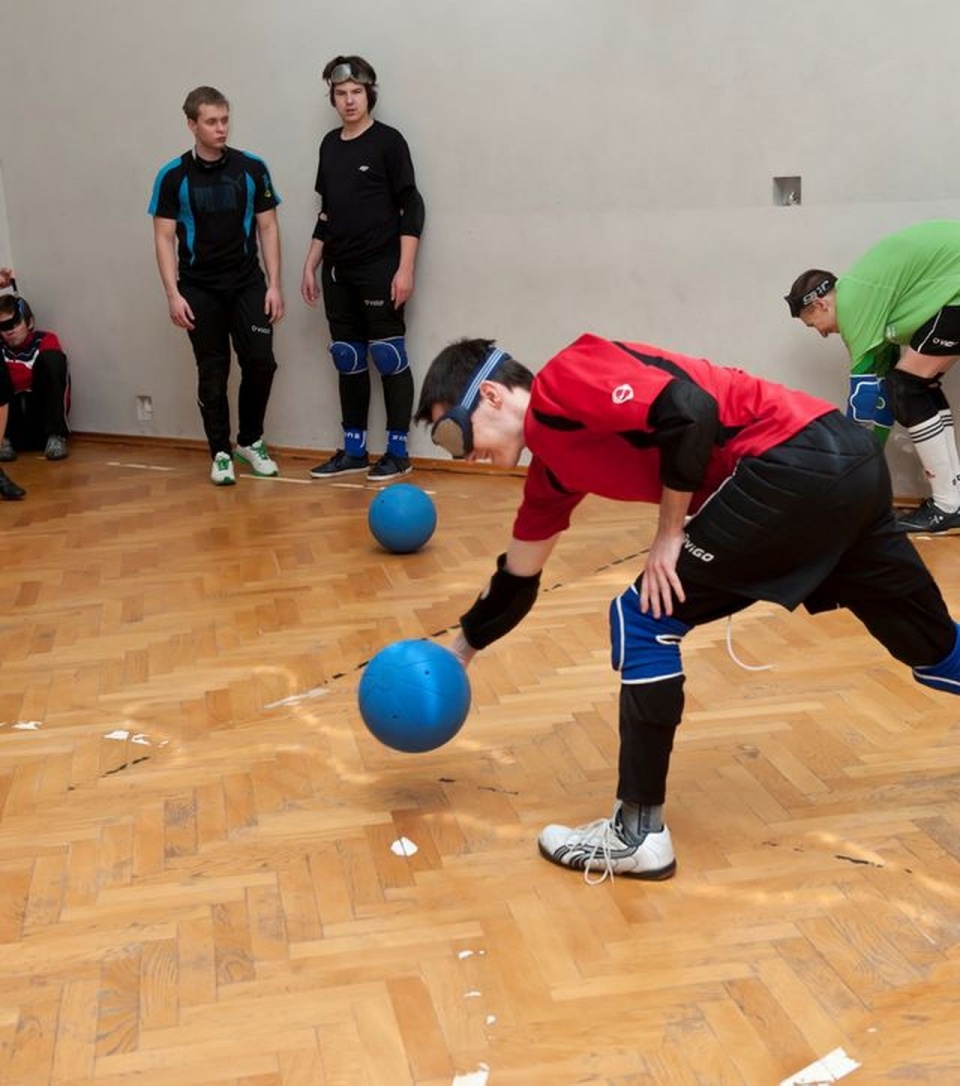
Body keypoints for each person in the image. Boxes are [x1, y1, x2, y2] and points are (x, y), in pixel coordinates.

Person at [414, 334, 960, 883]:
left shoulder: (564, 379)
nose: (460, 454)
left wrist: (669, 533)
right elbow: (516, 577)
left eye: (450, 432)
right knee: (930, 648)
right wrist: (459, 653)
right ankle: (637, 831)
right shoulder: (553, 470)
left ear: (490, 395)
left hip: (790, 463)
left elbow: (690, 411)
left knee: (643, 619)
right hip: (845, 461)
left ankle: (638, 834)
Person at [785, 220, 960, 534]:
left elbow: (864, 402)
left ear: (821, 304)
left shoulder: (853, 306)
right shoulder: (865, 296)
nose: (823, 334)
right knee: (915, 385)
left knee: (907, 388)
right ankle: (953, 497)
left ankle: (948, 504)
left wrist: (852, 472)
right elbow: (883, 399)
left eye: (815, 325)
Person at [149, 86, 284, 486]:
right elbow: (163, 238)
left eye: (225, 120)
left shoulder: (252, 168)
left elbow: (269, 227)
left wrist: (274, 285)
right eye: (211, 121)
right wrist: (173, 294)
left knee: (261, 363)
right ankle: (220, 452)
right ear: (192, 124)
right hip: (198, 288)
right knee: (213, 371)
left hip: (247, 283)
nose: (221, 128)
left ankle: (250, 441)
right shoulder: (172, 177)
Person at [301, 55, 425, 481]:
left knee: (388, 356)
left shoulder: (389, 142)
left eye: (356, 92)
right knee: (347, 356)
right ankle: (353, 451)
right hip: (338, 269)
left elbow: (412, 205)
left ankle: (397, 452)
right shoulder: (330, 146)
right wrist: (310, 262)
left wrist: (405, 268)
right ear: (332, 98)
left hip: (380, 266)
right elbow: (328, 211)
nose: (349, 100)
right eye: (341, 93)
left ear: (369, 94)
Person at [0, 292, 71, 462]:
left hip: (42, 424)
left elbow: (52, 372)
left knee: (52, 359)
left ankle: (56, 436)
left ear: (29, 322)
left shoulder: (46, 340)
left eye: (15, 323)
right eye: (3, 327)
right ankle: (3, 440)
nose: (10, 331)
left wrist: (11, 373)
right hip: (10, 429)